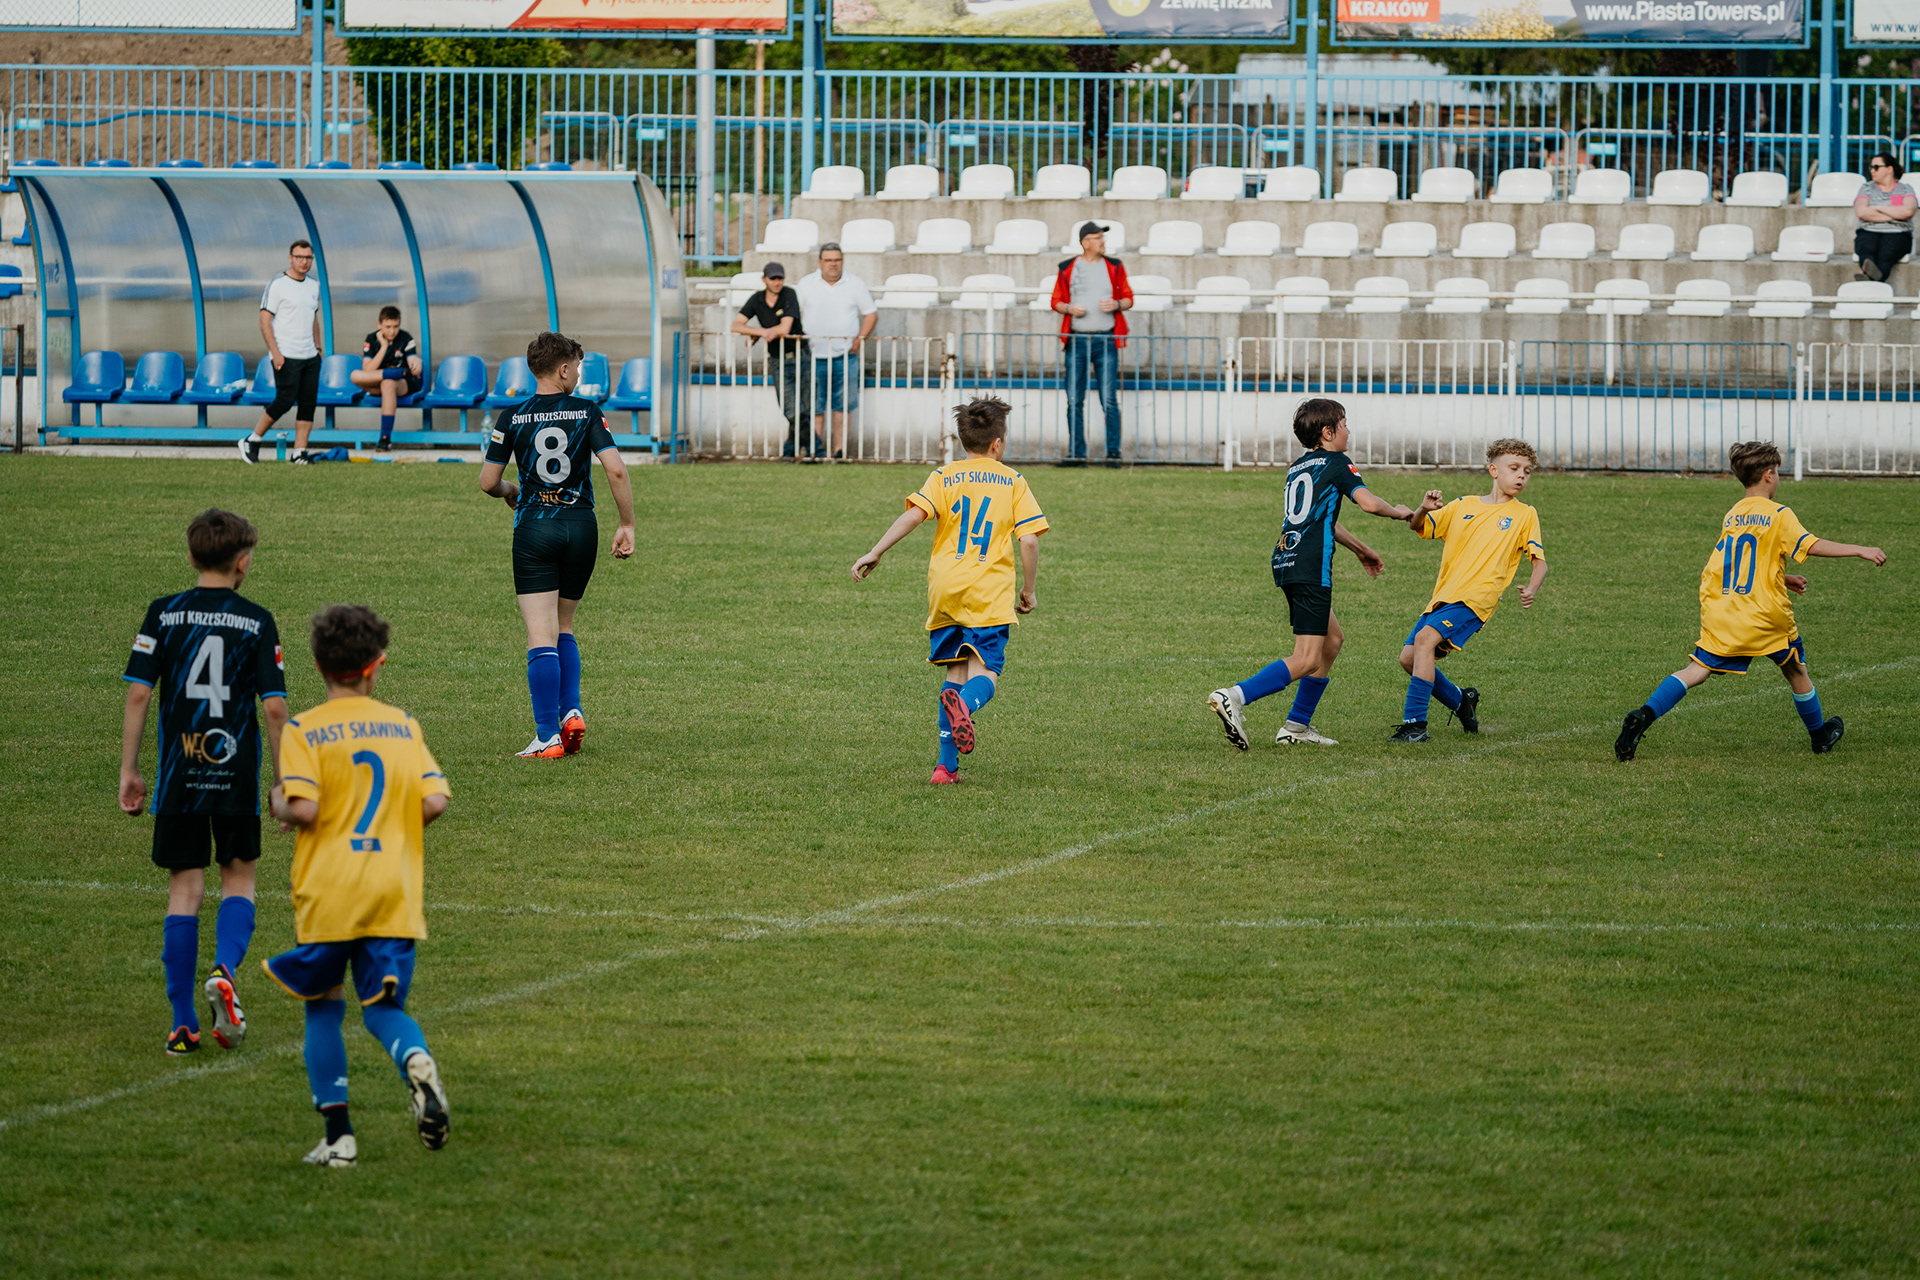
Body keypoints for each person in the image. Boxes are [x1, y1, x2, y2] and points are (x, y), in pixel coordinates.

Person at [263, 605, 452, 1168]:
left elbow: (304, 807)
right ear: (377, 666)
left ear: (319, 665)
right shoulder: (402, 725)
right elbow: (434, 801)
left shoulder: (304, 729)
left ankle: (339, 1138)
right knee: (383, 1006)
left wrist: (277, 801)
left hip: (329, 890)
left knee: (323, 1006)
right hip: (391, 889)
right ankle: (414, 1058)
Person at [119, 509, 289, 1055]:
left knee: (184, 891)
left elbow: (139, 693)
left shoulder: (162, 613)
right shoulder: (257, 620)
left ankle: (182, 1024)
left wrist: (130, 770)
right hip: (233, 774)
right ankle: (225, 968)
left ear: (191, 557)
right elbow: (275, 709)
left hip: (179, 776)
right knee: (239, 880)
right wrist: (283, 782)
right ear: (243, 562)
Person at [1615, 441, 1887, 762]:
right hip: (1764, 615)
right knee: (1795, 670)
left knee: (1696, 669)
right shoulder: (1779, 513)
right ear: (1769, 475)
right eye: (1778, 473)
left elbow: (1737, 562)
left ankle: (1643, 715)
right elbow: (1809, 544)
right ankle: (1820, 736)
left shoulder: (1733, 514)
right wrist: (1859, 549)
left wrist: (1782, 577)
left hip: (1724, 610)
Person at [851, 396, 1048, 785]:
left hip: (944, 589)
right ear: (997, 444)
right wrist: (1029, 591)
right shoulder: (1013, 481)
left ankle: (946, 768)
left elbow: (914, 515)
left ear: (963, 440)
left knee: (956, 672)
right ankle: (965, 706)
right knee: (985, 674)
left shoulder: (944, 476)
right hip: (987, 592)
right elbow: (1028, 540)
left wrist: (876, 551)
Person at [1206, 398, 1411, 750]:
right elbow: (1368, 503)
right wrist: (1399, 512)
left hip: (1287, 558)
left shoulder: (1298, 466)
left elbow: (1322, 519)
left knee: (1332, 642)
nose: (1349, 431)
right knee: (1307, 657)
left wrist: (1361, 549)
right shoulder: (1337, 462)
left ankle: (1297, 726)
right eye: (1344, 424)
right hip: (1311, 566)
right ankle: (1234, 696)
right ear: (1328, 432)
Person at [478, 331, 636, 759]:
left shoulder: (512, 416)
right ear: (563, 369)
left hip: (535, 528)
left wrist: (512, 489)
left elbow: (488, 482)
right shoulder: (587, 411)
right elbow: (616, 470)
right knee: (564, 624)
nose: (579, 375)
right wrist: (626, 524)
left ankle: (547, 734)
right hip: (582, 527)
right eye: (578, 368)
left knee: (540, 632)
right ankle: (571, 712)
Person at [1391, 438, 1549, 744]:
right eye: (1514, 468)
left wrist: (1532, 588)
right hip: (1444, 596)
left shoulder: (1525, 514)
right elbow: (1418, 526)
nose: (1521, 475)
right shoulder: (1462, 505)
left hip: (1477, 599)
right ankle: (1462, 701)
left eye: (1527, 471)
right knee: (1409, 659)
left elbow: (1539, 562)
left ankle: (1415, 725)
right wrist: (1423, 508)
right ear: (1493, 470)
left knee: (1425, 640)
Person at [1050, 222, 1134, 468]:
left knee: (1109, 399)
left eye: (1102, 237)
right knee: (1074, 400)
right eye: (1097, 237)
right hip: (1076, 340)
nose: (1102, 241)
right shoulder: (1067, 268)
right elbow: (1055, 301)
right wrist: (1069, 308)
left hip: (1106, 340)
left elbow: (1129, 298)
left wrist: (1116, 304)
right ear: (1085, 242)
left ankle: (1113, 454)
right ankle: (1077, 454)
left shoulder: (1115, 266)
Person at [237, 240, 323, 465]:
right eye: (299, 257)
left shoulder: (313, 285)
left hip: (310, 356)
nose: (304, 262)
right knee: (285, 400)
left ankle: (299, 452)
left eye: (308, 258)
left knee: (308, 404)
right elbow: (265, 320)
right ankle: (252, 439)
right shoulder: (278, 284)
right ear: (290, 258)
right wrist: (275, 352)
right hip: (286, 354)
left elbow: (313, 317)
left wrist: (318, 347)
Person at [793, 243, 877, 460]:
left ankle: (839, 451)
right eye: (828, 260)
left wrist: (858, 340)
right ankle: (814, 451)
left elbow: (871, 314)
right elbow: (794, 315)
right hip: (812, 356)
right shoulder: (805, 284)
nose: (833, 264)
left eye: (837, 260)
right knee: (815, 406)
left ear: (842, 261)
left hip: (846, 355)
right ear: (820, 262)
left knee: (843, 406)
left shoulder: (855, 284)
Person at [729, 261, 813, 459]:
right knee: (792, 410)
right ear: (764, 279)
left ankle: (794, 453)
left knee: (803, 409)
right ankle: (813, 450)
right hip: (778, 359)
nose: (777, 282)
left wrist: (759, 333)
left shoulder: (789, 294)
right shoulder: (757, 299)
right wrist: (760, 332)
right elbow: (736, 325)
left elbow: (785, 328)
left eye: (780, 278)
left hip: (800, 356)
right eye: (773, 278)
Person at [350, 305, 423, 453]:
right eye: (388, 327)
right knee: (355, 375)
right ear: (379, 325)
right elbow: (368, 370)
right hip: (380, 382)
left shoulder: (405, 338)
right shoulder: (372, 339)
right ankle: (398, 373)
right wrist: (383, 347)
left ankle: (385, 438)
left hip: (403, 384)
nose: (392, 331)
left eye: (396, 326)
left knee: (388, 383)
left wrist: (416, 364)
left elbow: (413, 362)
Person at [1853, 152, 1916, 284]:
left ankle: (1869, 280)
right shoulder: (1866, 188)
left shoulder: (1905, 189)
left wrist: (1877, 207)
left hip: (1898, 233)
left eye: (1876, 167)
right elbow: (1861, 212)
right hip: (1868, 230)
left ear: (1889, 169)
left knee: (1886, 255)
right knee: (1866, 250)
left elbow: (1907, 212)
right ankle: (1874, 278)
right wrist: (1893, 216)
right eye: (1871, 167)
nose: (1872, 170)